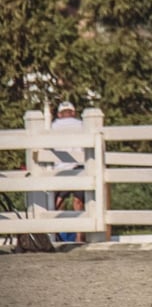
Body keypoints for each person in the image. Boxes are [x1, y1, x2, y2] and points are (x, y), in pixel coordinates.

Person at [51, 101, 85, 242]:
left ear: (59, 114)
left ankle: (58, 235)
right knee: (79, 202)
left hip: (60, 168)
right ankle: (79, 237)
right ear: (73, 112)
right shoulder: (81, 124)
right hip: (79, 167)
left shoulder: (52, 126)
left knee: (58, 202)